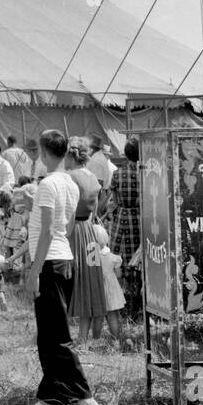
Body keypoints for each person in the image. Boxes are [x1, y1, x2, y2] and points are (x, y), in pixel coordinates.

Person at [20, 130, 102, 405]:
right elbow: (64, 228)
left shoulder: (47, 185)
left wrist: (33, 272)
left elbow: (45, 232)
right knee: (48, 334)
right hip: (63, 258)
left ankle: (85, 400)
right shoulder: (69, 183)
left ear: (43, 153)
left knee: (57, 337)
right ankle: (51, 400)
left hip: (49, 262)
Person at [66, 137, 110, 343]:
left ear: (70, 156)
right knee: (89, 282)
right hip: (90, 232)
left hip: (73, 230)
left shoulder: (69, 177)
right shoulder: (93, 177)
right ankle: (85, 336)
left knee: (70, 281)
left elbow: (70, 211)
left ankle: (68, 335)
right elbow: (97, 206)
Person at [110, 139, 142, 319]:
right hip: (138, 218)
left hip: (122, 217)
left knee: (118, 257)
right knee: (136, 260)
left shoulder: (117, 174)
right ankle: (137, 302)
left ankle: (121, 301)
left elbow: (114, 201)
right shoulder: (143, 172)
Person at [91, 222, 126, 340]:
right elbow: (119, 274)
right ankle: (115, 340)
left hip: (98, 289)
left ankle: (96, 339)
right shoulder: (113, 257)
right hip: (112, 290)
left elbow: (90, 272)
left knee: (98, 317)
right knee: (113, 316)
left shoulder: (92, 256)